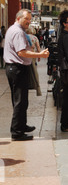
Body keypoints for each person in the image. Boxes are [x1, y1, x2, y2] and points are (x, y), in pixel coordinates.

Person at [3, 9, 49, 141]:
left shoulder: (14, 29)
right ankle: (17, 132)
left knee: (21, 100)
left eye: (29, 19)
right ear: (18, 19)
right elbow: (22, 53)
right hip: (17, 68)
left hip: (15, 68)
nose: (28, 22)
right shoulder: (17, 32)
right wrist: (40, 55)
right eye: (26, 19)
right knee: (20, 101)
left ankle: (21, 125)